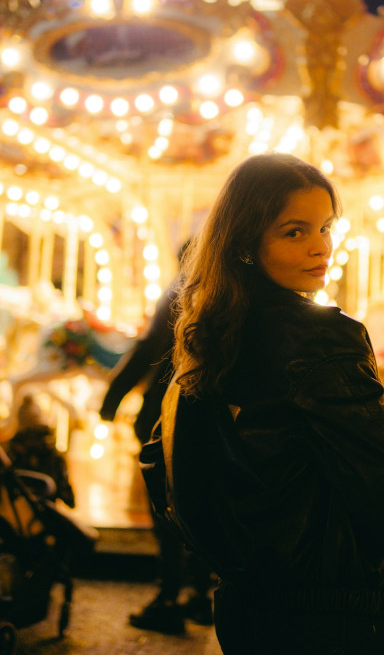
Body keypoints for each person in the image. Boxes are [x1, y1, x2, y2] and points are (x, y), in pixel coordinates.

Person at [159, 152, 384, 655]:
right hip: (330, 609)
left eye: (325, 228)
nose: (321, 248)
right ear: (247, 242)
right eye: (295, 232)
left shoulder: (212, 334)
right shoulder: (323, 338)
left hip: (244, 603)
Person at [99, 245, 213, 635]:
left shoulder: (180, 290)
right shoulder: (226, 294)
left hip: (171, 412)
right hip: (212, 417)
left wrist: (113, 398)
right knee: (201, 508)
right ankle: (200, 594)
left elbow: (149, 348)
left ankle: (168, 597)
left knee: (167, 507)